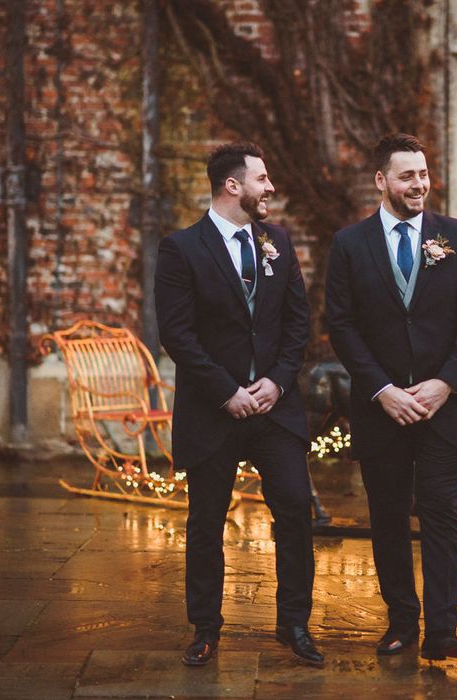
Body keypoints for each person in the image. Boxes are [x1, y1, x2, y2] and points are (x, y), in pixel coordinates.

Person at [154, 142, 323, 668]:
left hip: (275, 410)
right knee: (206, 520)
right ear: (233, 185)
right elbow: (177, 335)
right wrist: (226, 391)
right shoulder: (181, 249)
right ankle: (205, 627)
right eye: (262, 179)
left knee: (295, 511)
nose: (269, 187)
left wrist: (276, 381)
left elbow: (298, 322)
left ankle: (294, 622)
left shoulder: (278, 241)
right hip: (214, 410)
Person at [325, 133, 457, 660]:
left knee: (440, 509)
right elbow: (342, 326)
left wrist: (445, 383)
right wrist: (381, 390)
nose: (419, 184)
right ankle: (401, 622)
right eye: (407, 176)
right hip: (382, 411)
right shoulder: (349, 244)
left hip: (445, 407)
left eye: (423, 174)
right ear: (382, 181)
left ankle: (442, 629)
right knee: (389, 515)